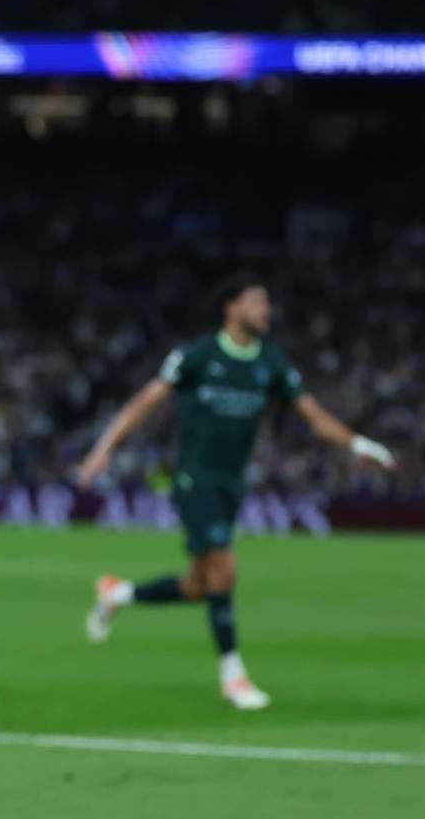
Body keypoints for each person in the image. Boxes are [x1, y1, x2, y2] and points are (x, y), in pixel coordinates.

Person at [76, 274, 396, 709]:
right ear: (231, 307)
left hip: (232, 483)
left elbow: (314, 416)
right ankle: (233, 675)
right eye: (256, 302)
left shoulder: (271, 362)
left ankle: (117, 593)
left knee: (198, 586)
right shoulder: (197, 357)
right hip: (193, 478)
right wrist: (103, 450)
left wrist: (360, 444)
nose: (265, 310)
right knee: (224, 571)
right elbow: (144, 404)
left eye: (266, 302)